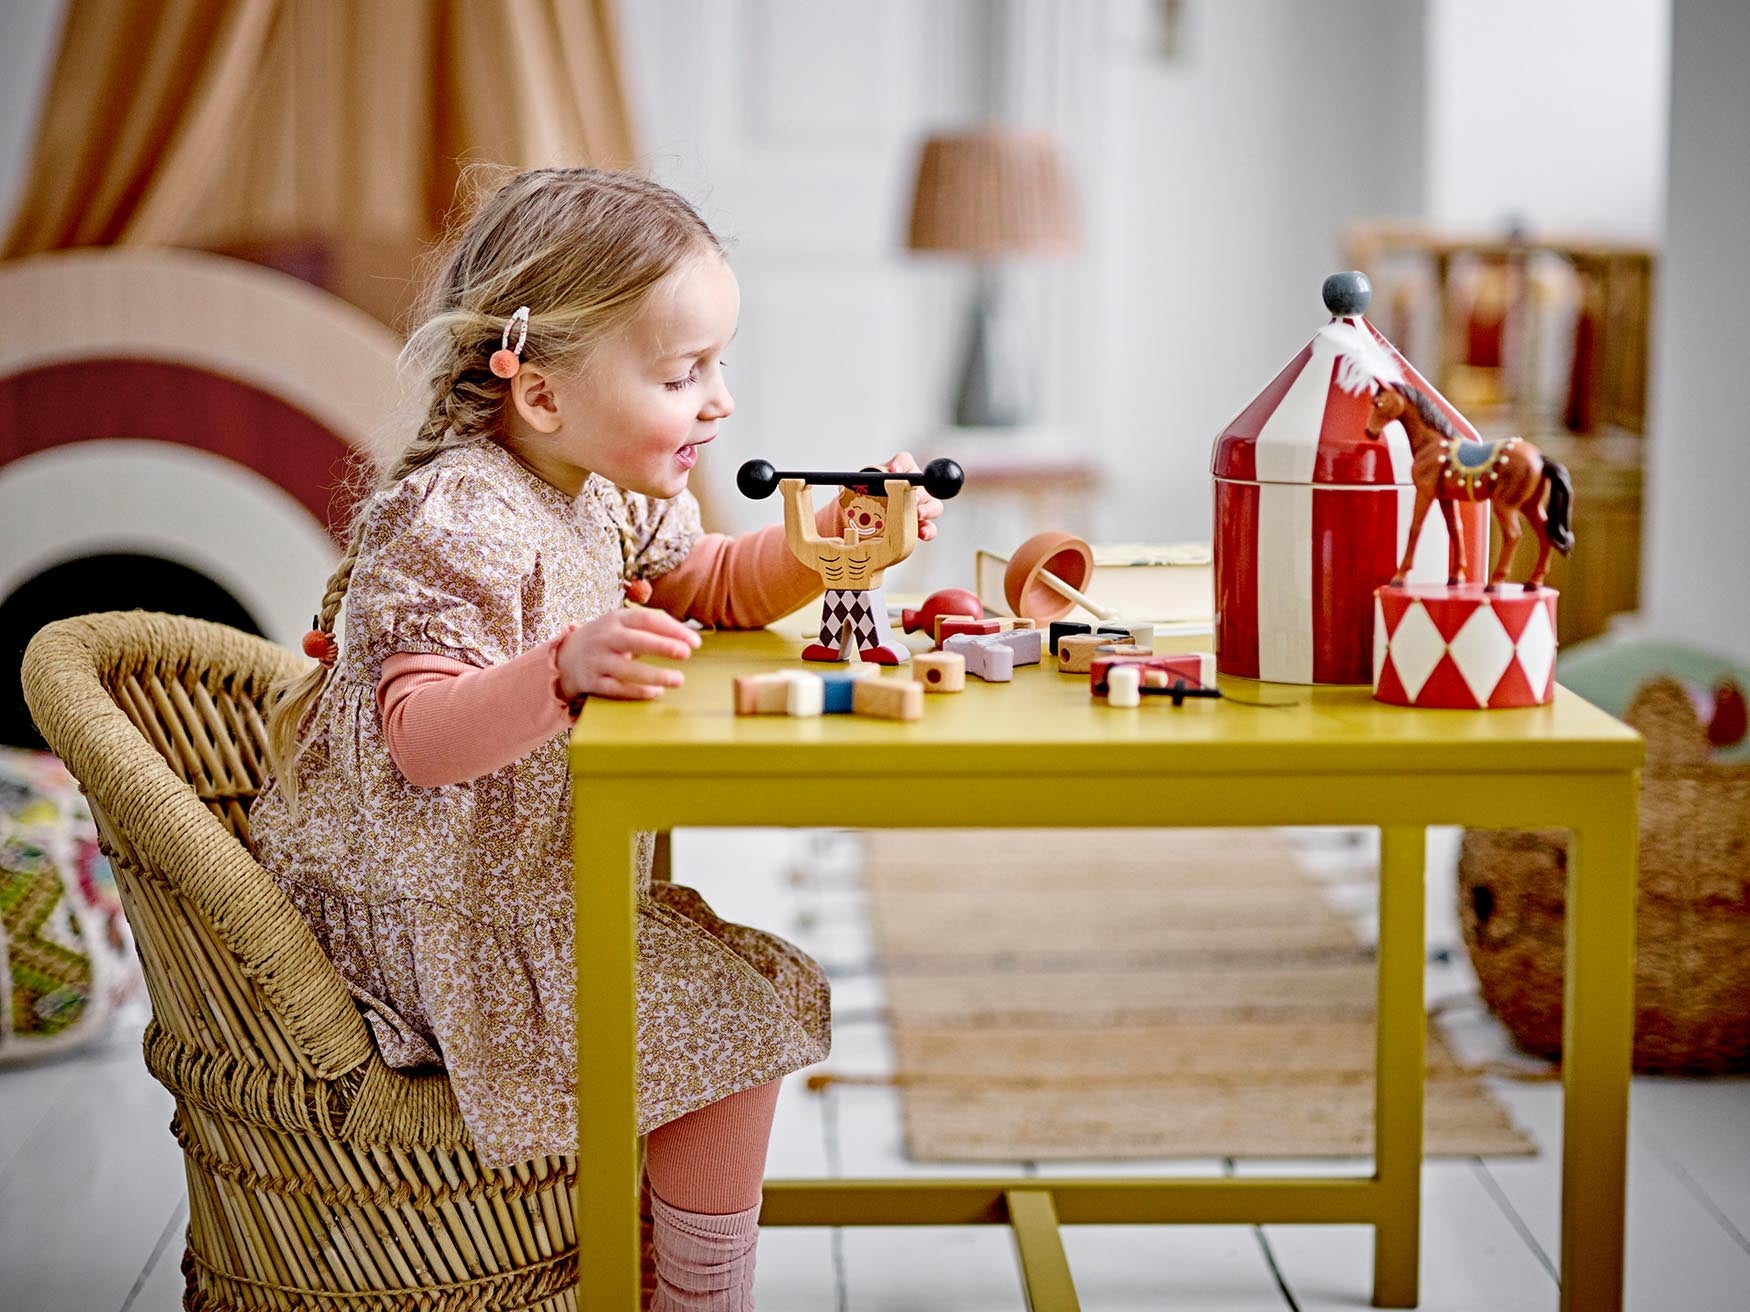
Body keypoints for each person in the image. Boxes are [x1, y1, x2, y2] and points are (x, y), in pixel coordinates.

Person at [250, 166, 942, 1311]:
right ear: (544, 395)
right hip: (440, 929)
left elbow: (710, 581)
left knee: (749, 982)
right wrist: (560, 671)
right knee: (744, 1017)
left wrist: (834, 545)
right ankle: (695, 1294)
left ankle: (660, 1260)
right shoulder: (459, 517)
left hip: (530, 891)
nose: (718, 401)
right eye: (683, 374)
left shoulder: (603, 486)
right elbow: (420, 736)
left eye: (717, 364)